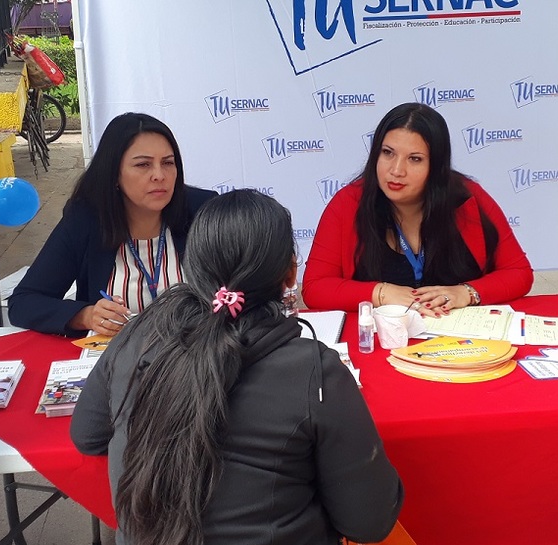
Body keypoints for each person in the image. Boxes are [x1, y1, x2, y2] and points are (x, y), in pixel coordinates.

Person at [71, 190, 403, 545]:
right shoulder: (314, 371)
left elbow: (87, 436)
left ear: (191, 266)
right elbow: (370, 522)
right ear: (291, 274)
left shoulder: (137, 336)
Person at [302, 102, 533, 314]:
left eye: (415, 159)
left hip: (458, 342)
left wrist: (466, 292)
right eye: (388, 153)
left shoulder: (468, 198)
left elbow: (519, 273)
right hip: (383, 340)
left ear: (436, 166)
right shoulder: (348, 203)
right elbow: (315, 288)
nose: (396, 170)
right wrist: (382, 293)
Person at [8, 112, 217, 336]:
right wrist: (86, 316)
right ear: (114, 174)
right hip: (116, 361)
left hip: (197, 353)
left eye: (167, 163)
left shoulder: (203, 210)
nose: (159, 175)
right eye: (143, 165)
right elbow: (23, 302)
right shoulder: (86, 219)